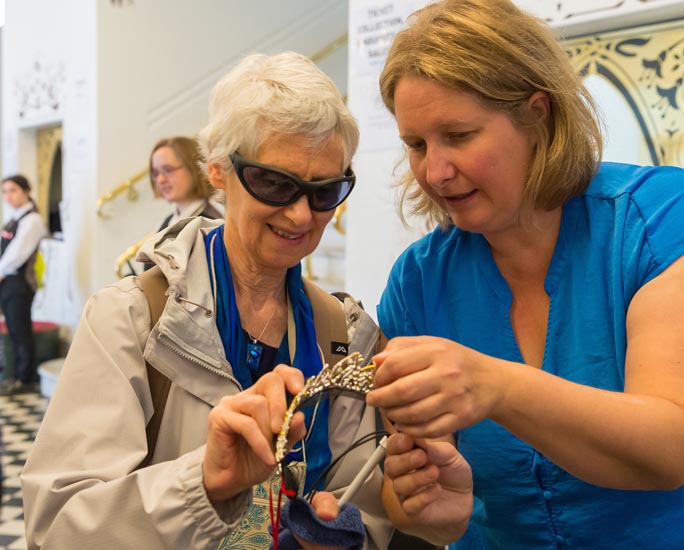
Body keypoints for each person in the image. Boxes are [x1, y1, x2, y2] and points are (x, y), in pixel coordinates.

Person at [365, 0, 684, 548]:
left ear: (537, 114)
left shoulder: (662, 221)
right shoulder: (418, 283)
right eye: (417, 145)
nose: (435, 171)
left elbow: (669, 449)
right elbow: (421, 507)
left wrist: (494, 385)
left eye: (460, 135)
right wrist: (428, 507)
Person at [22, 52, 392, 550]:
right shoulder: (130, 320)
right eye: (276, 184)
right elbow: (58, 526)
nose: (303, 215)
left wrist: (343, 534)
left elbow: (362, 507)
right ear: (217, 170)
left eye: (325, 190)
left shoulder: (343, 333)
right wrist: (202, 484)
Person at [140, 135, 224, 271]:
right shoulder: (167, 221)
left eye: (168, 170)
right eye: (156, 173)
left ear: (194, 168)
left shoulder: (209, 224)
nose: (160, 180)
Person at [0, 174, 48, 395]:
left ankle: (26, 379)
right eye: (5, 192)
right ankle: (17, 375)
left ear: (26, 191)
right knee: (14, 329)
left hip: (19, 282)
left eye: (13, 190)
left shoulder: (32, 220)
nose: (8, 196)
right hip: (7, 281)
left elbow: (17, 254)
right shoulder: (14, 218)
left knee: (21, 331)